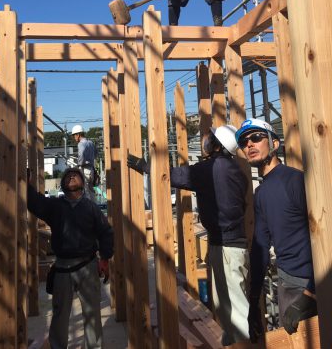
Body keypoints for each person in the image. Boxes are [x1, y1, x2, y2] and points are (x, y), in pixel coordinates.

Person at [128, 125, 250, 346]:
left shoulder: (210, 169)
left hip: (227, 246)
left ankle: (242, 344)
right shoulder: (235, 170)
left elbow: (172, 175)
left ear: (217, 145)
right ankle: (233, 342)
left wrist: (144, 166)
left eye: (210, 138)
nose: (205, 140)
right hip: (229, 244)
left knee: (236, 310)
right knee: (228, 305)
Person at [235, 118, 317, 340]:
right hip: (287, 283)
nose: (249, 144)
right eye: (243, 142)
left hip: (310, 285)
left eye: (256, 137)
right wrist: (253, 301)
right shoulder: (261, 194)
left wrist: (312, 293)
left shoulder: (296, 181)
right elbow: (261, 247)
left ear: (275, 144)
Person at [27, 166, 114, 349]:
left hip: (87, 266)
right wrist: (25, 184)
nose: (72, 176)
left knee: (92, 313)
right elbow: (34, 202)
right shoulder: (55, 206)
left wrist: (105, 259)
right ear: (63, 185)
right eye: (68, 176)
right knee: (60, 313)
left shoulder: (90, 207)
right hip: (62, 268)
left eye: (76, 175)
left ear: (82, 184)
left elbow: (106, 232)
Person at [72, 124, 98, 201]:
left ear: (78, 135)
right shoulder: (90, 143)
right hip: (91, 170)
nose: (74, 138)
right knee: (91, 191)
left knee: (85, 193)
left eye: (74, 135)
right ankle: (94, 207)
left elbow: (81, 154)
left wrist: (79, 164)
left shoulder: (81, 144)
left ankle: (88, 208)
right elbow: (96, 153)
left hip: (85, 170)